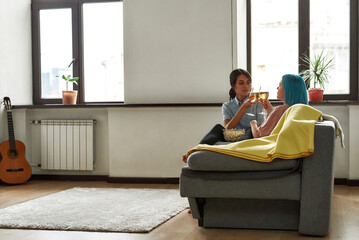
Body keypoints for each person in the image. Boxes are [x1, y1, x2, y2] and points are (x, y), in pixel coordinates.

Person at [182, 68, 265, 163]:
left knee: (250, 128)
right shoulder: (227, 106)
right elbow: (228, 128)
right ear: (233, 86)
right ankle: (195, 151)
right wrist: (243, 107)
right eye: (241, 83)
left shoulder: (258, 103)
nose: (246, 86)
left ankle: (234, 150)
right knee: (218, 127)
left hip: (249, 135)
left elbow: (262, 127)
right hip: (232, 135)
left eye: (248, 82)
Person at [250, 74, 308, 138]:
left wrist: (253, 123)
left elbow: (258, 135)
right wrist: (271, 111)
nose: (277, 88)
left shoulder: (281, 110)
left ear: (287, 90)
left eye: (280, 86)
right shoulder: (304, 111)